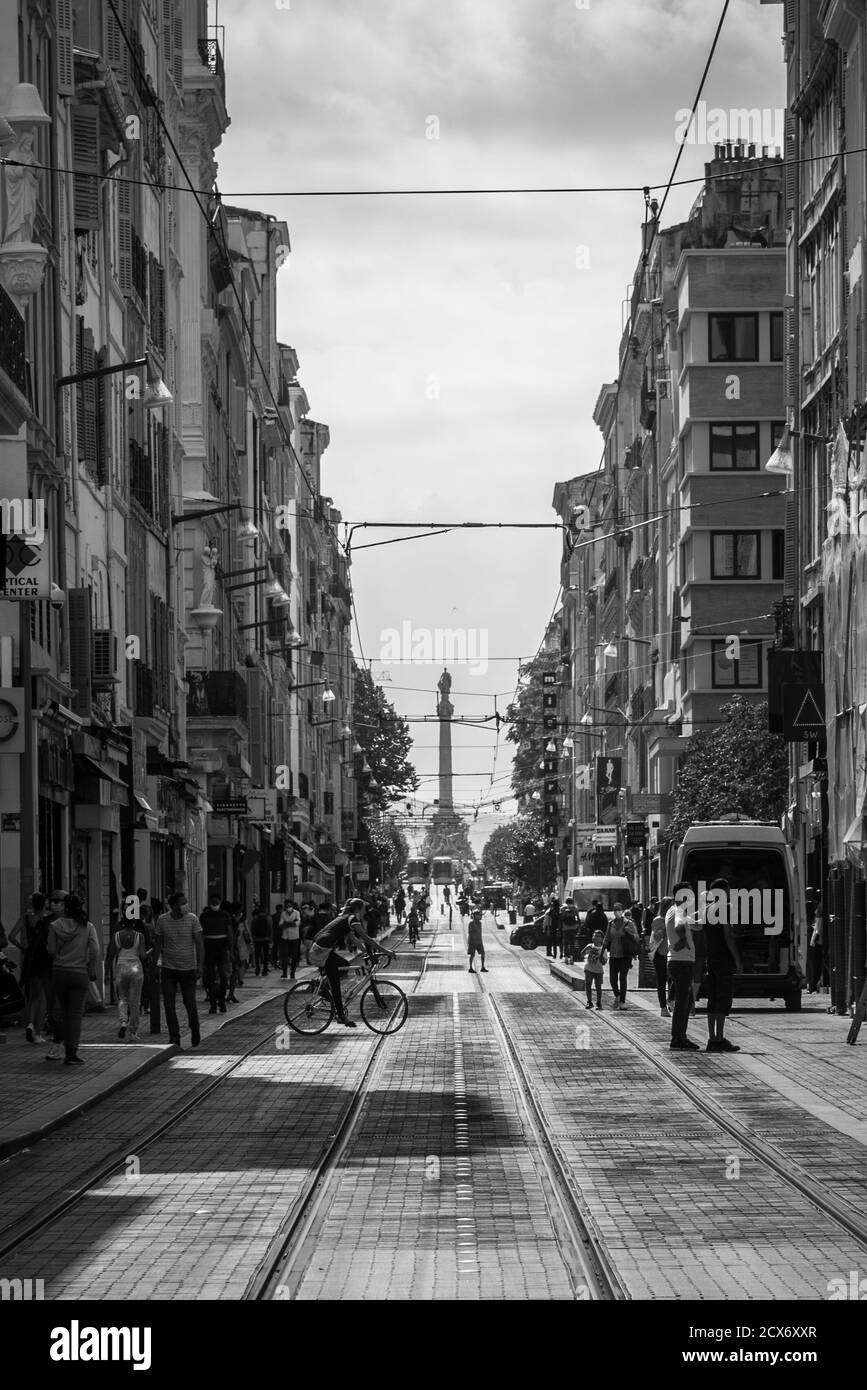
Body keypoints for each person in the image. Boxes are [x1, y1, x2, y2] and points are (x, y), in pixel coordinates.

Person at [308, 899, 390, 1027]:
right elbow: (366, 938)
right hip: (322, 950)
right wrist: (387, 951)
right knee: (335, 983)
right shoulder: (352, 919)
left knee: (344, 966)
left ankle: (323, 985)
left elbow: (355, 939)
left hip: (320, 948)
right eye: (363, 908)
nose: (365, 911)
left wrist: (366, 953)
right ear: (358, 909)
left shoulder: (347, 918)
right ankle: (340, 1015)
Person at [46, 894, 99, 1066]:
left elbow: (51, 950)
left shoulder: (54, 926)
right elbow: (95, 951)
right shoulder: (87, 926)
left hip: (60, 972)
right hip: (79, 973)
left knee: (62, 1011)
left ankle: (60, 1046)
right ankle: (71, 1052)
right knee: (75, 1015)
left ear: (65, 907)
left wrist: (62, 955)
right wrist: (90, 969)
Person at [155, 891, 203, 1048]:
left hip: (188, 969)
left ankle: (195, 1029)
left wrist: (200, 966)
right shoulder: (162, 920)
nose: (185, 905)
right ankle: (174, 1038)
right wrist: (156, 965)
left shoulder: (192, 919)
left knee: (190, 1003)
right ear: (174, 905)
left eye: (186, 902)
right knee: (168, 1004)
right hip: (168, 969)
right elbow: (157, 944)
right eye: (182, 903)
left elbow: (199, 943)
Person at [703, 878, 743, 1052]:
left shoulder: (706, 910)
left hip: (710, 959)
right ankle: (719, 1038)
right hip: (723, 960)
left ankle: (712, 1038)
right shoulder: (725, 908)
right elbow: (728, 935)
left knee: (712, 999)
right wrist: (737, 959)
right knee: (722, 999)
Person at [666, 882, 703, 1051]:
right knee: (683, 1002)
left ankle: (680, 1036)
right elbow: (679, 926)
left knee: (684, 1001)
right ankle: (678, 1038)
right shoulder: (678, 911)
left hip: (678, 962)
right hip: (681, 962)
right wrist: (682, 941)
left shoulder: (674, 910)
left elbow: (696, 925)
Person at [9, 893, 49, 1043]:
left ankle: (30, 1024)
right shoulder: (46, 919)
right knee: (43, 998)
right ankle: (38, 1033)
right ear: (44, 903)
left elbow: (11, 936)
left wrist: (23, 947)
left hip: (30, 958)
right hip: (43, 959)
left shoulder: (26, 917)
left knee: (32, 996)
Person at [107, 919, 148, 1041]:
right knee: (135, 1001)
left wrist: (106, 973)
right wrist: (149, 953)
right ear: (134, 924)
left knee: (122, 998)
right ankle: (133, 1032)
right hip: (135, 967)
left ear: (122, 923)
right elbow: (142, 955)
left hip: (121, 967)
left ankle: (123, 1022)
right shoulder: (139, 936)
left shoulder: (116, 936)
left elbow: (111, 954)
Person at [200, 893, 234, 1013]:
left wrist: (231, 949)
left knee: (223, 977)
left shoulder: (224, 915)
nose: (214, 904)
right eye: (213, 902)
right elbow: (200, 934)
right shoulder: (204, 916)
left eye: (216, 902)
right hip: (210, 950)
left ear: (219, 902)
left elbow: (229, 933)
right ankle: (214, 1003)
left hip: (221, 950)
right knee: (210, 978)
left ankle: (221, 1002)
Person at [603, 903, 640, 1010]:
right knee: (612, 979)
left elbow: (637, 938)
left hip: (625, 954)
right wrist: (602, 952)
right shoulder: (611, 924)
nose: (616, 912)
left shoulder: (629, 923)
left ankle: (623, 1001)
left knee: (622, 977)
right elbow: (607, 938)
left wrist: (628, 933)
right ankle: (617, 995)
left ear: (622, 910)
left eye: (618, 909)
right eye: (615, 910)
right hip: (614, 954)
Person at [647, 896, 674, 1017]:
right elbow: (657, 937)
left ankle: (671, 999)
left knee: (674, 979)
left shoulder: (673, 918)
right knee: (662, 980)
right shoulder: (659, 920)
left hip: (671, 953)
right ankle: (663, 1007)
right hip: (660, 953)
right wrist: (665, 926)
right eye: (671, 905)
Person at [581, 930, 607, 1008]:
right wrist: (586, 949)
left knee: (598, 986)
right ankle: (589, 1001)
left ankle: (598, 1002)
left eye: (598, 936)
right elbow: (582, 954)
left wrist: (601, 957)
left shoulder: (603, 949)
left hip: (598, 970)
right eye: (594, 935)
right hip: (588, 968)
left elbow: (604, 962)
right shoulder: (590, 946)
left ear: (602, 939)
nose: (595, 937)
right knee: (588, 984)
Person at [278, 899, 302, 980]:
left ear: (292, 906)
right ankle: (284, 973)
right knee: (285, 956)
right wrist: (291, 922)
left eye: (290, 906)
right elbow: (281, 925)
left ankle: (292, 973)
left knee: (294, 956)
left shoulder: (297, 913)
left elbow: (297, 924)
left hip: (295, 937)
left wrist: (287, 923)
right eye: (287, 906)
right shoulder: (283, 914)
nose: (288, 908)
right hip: (285, 937)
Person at [806, 889, 823, 993]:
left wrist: (814, 938)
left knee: (814, 963)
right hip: (817, 938)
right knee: (815, 963)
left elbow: (818, 925)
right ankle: (814, 984)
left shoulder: (819, 908)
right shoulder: (819, 907)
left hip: (817, 939)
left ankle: (813, 984)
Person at [250, 901, 273, 976]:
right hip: (265, 939)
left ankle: (257, 967)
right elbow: (270, 928)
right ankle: (265, 969)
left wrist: (253, 937)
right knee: (266, 955)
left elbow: (252, 928)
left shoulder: (255, 918)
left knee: (257, 954)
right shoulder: (268, 918)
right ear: (265, 910)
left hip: (257, 939)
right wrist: (270, 938)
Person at [560, 899, 579, 963]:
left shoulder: (562, 908)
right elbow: (577, 918)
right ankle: (571, 957)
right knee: (572, 943)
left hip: (565, 928)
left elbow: (561, 919)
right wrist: (578, 927)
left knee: (565, 943)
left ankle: (565, 957)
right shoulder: (575, 908)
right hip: (573, 928)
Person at [545, 894, 561, 959]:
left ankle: (555, 954)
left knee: (553, 941)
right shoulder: (560, 910)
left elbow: (549, 921)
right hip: (560, 927)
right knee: (560, 941)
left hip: (553, 927)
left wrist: (548, 928)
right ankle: (561, 954)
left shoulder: (551, 911)